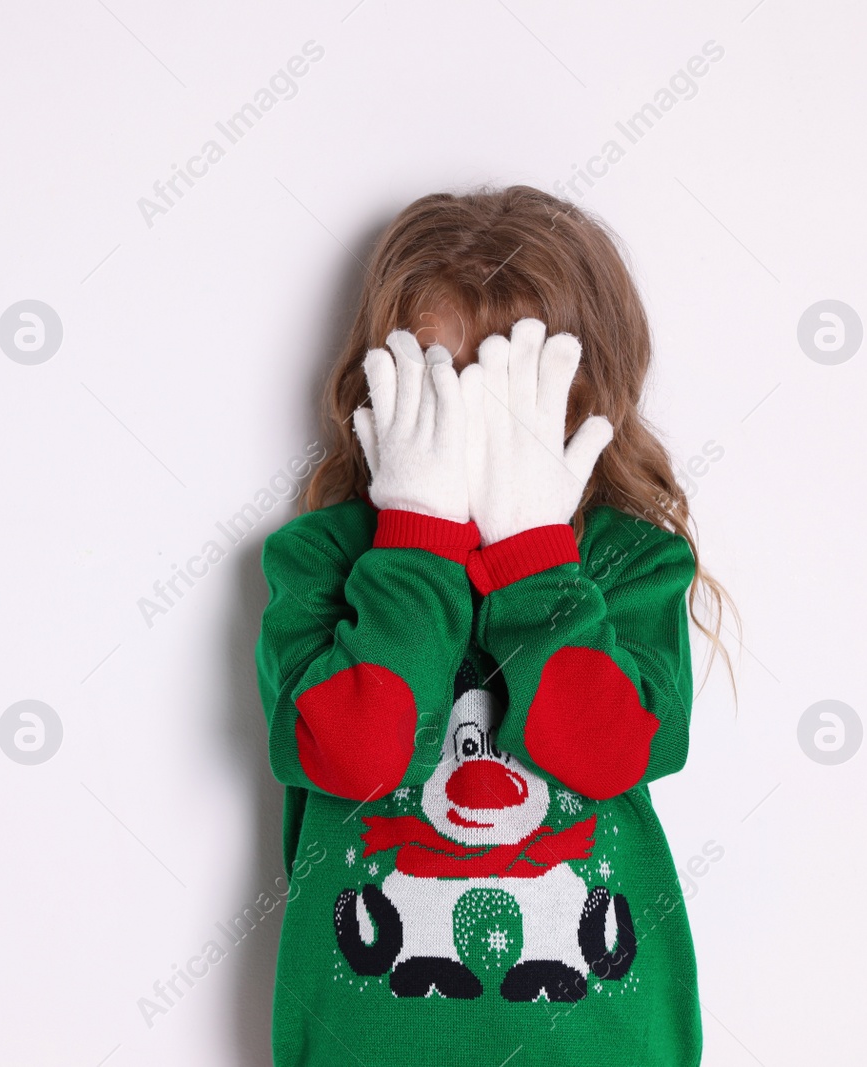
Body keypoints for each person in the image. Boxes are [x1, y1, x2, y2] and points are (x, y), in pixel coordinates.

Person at [256, 186, 730, 1066]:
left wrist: (534, 551)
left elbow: (601, 751)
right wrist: (416, 538)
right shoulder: (322, 561)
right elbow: (357, 758)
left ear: (583, 389)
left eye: (508, 383)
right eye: (442, 379)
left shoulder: (630, 563)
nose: (472, 415)